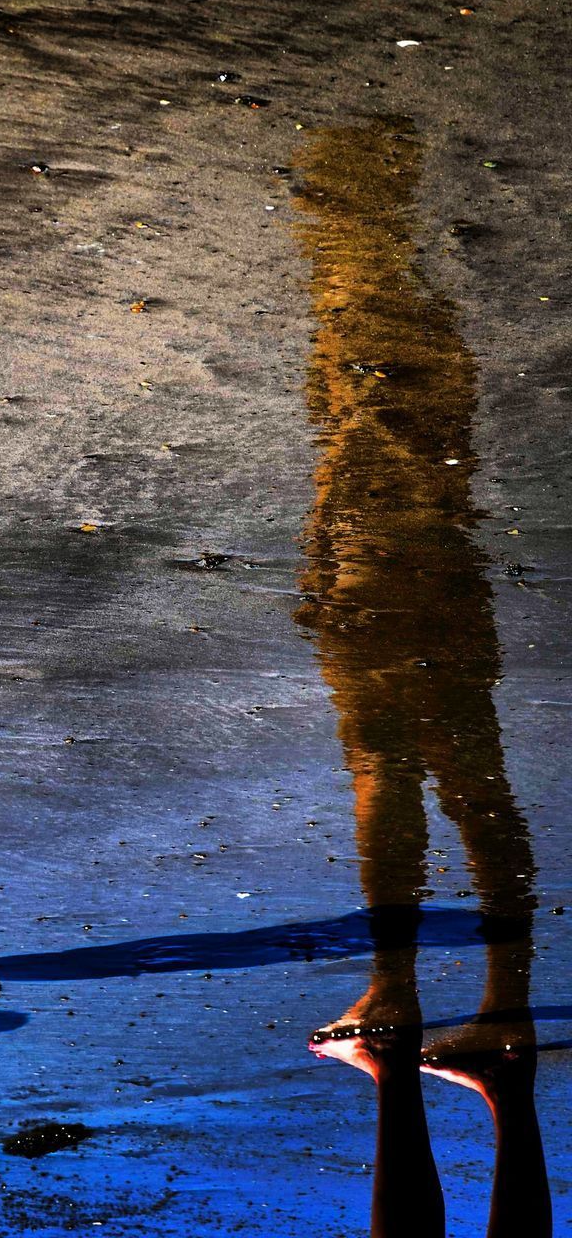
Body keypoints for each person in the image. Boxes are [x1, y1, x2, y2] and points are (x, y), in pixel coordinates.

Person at [293, 118, 550, 1237]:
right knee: (464, 771)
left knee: (389, 772)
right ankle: (471, 1007)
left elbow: (348, 450)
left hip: (389, 577)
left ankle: (433, 1006)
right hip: (438, 580)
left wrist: (314, 560)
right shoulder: (422, 328)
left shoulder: (362, 324)